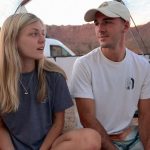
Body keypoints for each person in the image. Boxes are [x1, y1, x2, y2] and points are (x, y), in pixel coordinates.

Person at [0, 13, 101, 150]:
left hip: (49, 146)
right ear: (13, 40)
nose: (43, 40)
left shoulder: (54, 76)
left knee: (91, 138)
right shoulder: (2, 80)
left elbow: (58, 122)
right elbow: (1, 127)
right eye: (34, 34)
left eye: (43, 33)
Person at [70, 1, 150, 150]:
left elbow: (146, 116)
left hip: (129, 137)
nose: (100, 29)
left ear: (125, 26)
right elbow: (87, 119)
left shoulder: (143, 66)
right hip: (96, 141)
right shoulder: (84, 64)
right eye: (96, 23)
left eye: (107, 22)